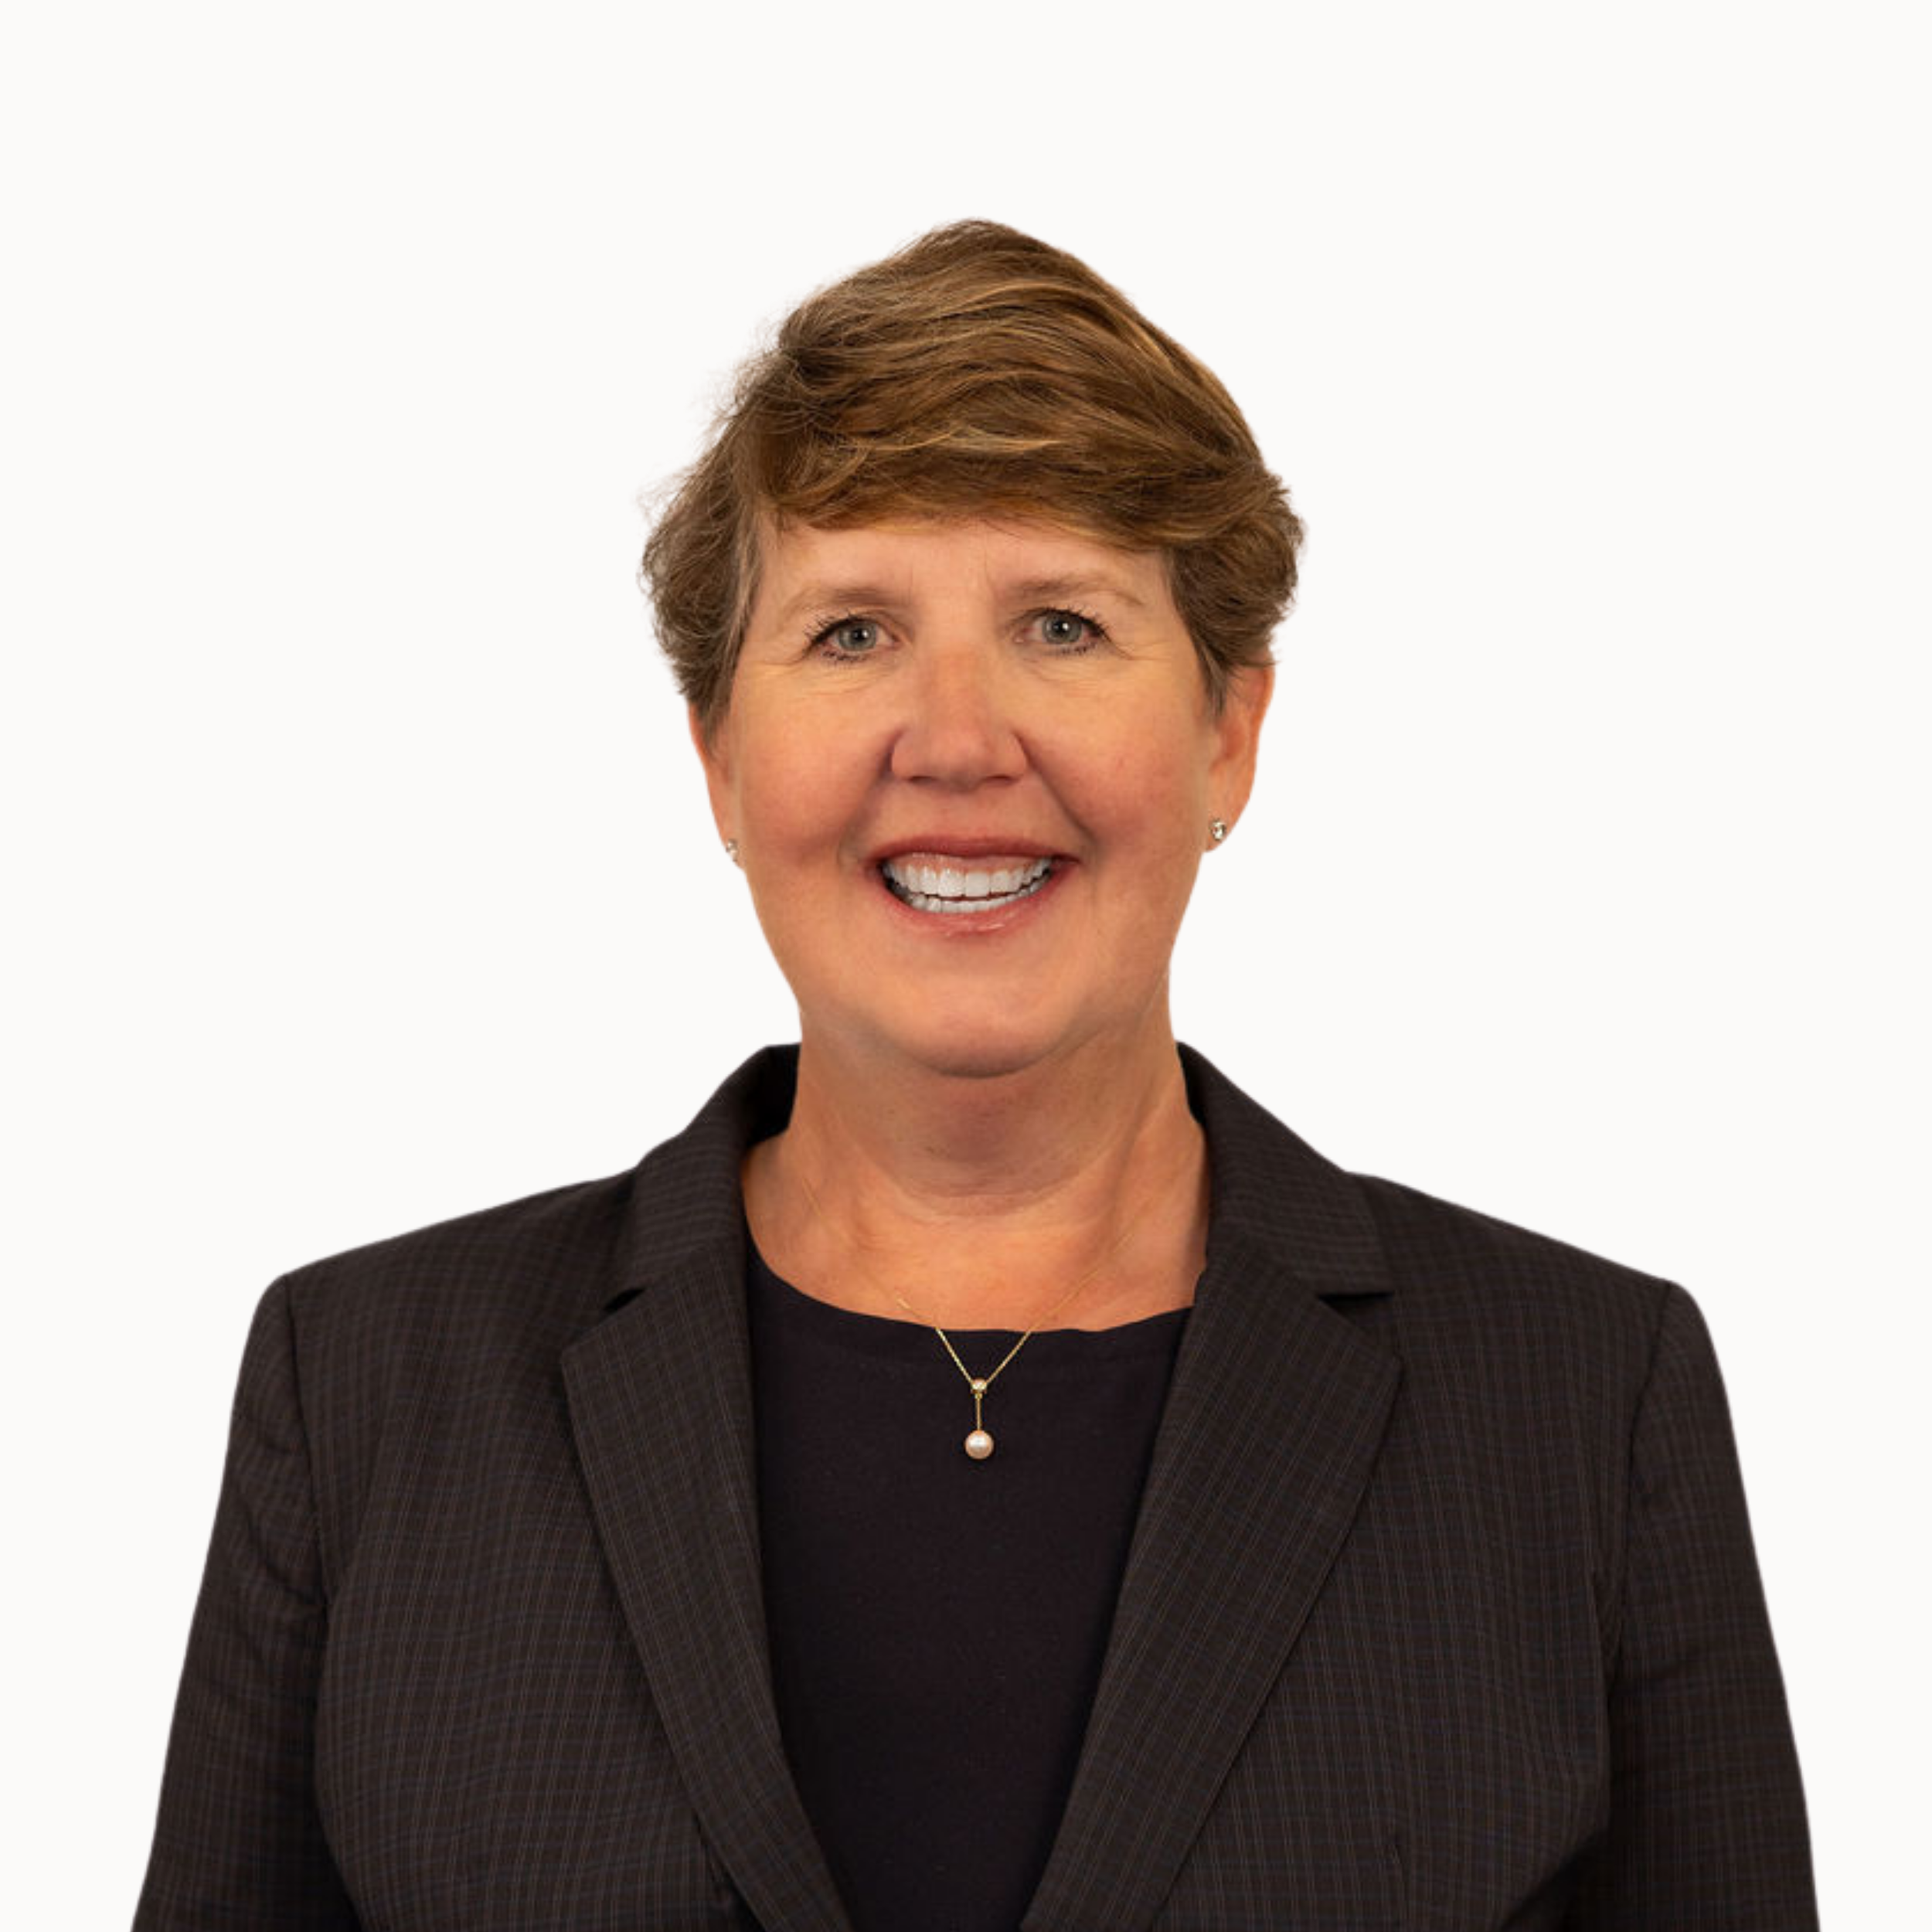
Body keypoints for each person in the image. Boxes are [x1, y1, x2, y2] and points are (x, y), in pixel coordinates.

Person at [134, 221, 1817, 1930]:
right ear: (718, 754)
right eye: (851, 632)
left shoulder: (1581, 1407)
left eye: (1062, 626)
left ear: (1226, 729)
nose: (953, 738)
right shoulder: (359, 1397)